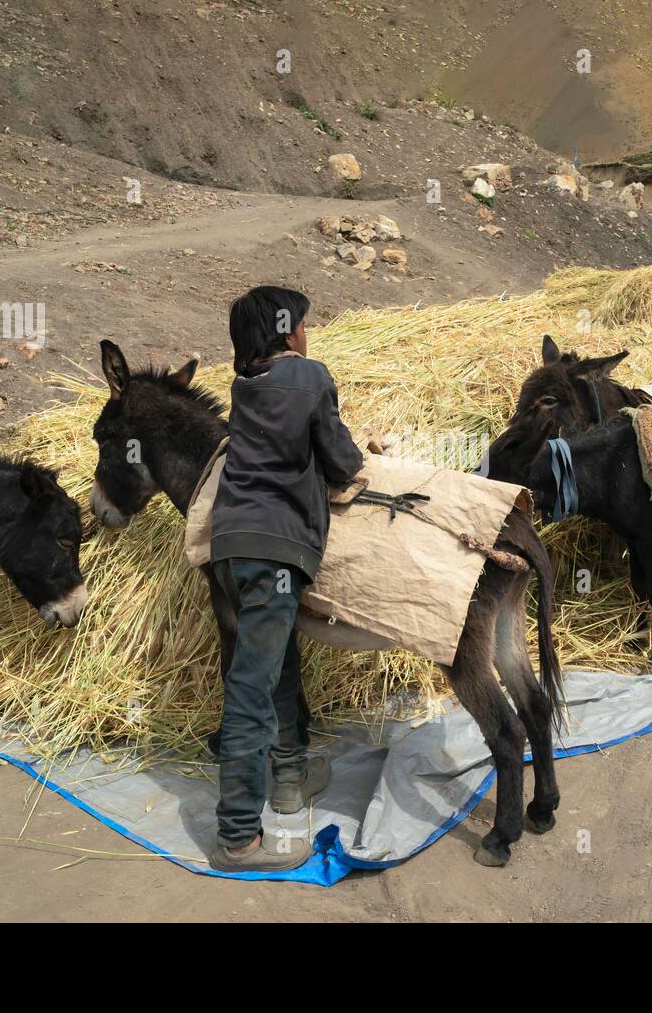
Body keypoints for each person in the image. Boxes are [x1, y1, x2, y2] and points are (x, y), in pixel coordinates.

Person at [207, 285, 364, 872]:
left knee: (275, 663)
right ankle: (238, 837)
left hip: (229, 549)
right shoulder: (308, 377)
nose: (308, 332)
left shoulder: (244, 386)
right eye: (303, 324)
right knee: (251, 689)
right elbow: (343, 460)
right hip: (274, 553)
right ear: (287, 332)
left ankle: (292, 776)